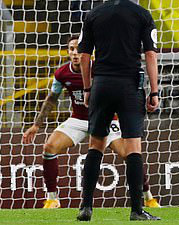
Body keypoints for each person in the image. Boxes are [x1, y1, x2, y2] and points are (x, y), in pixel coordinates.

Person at [22, 35, 160, 209]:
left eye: (79, 50)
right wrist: (36, 125)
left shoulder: (100, 69)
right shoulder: (61, 73)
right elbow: (51, 99)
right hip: (79, 119)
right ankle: (52, 199)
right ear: (67, 52)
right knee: (49, 147)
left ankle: (148, 197)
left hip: (106, 118)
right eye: (71, 49)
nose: (75, 53)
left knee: (129, 154)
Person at [76, 0, 160, 221]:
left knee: (96, 144)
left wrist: (88, 88)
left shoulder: (93, 14)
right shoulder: (142, 15)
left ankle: (86, 207)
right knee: (133, 146)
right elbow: (150, 55)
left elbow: (83, 56)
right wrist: (154, 91)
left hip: (101, 84)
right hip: (129, 85)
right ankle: (136, 210)